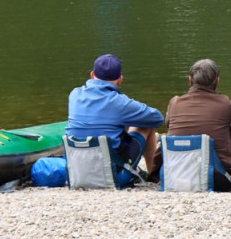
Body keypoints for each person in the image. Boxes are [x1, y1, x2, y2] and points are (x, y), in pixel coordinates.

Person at [164, 58, 231, 190]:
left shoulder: (174, 102)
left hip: (177, 173)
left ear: (190, 80)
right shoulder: (224, 104)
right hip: (216, 178)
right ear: (217, 81)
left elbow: (168, 124)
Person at [66, 53, 163, 185]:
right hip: (113, 178)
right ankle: (153, 176)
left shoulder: (74, 94)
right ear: (120, 79)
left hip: (77, 174)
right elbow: (157, 118)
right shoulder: (119, 102)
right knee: (145, 123)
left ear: (92, 75)